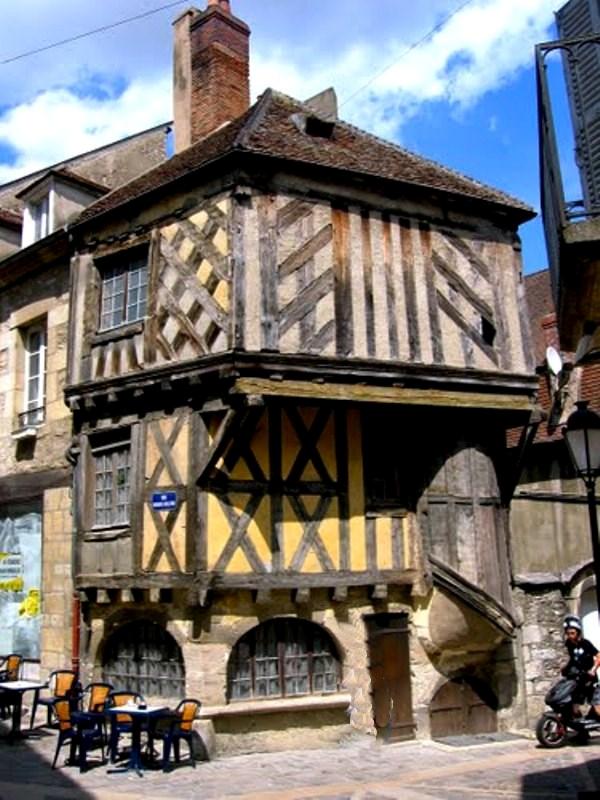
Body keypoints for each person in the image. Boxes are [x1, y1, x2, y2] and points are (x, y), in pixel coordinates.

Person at [561, 614, 600, 719]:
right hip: (578, 680)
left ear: (578, 632)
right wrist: (566, 667)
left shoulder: (586, 643)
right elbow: (573, 659)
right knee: (574, 708)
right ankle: (582, 731)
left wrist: (593, 670)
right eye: (568, 633)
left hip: (590, 680)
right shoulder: (569, 644)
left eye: (572, 633)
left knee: (597, 708)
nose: (570, 636)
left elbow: (598, 656)